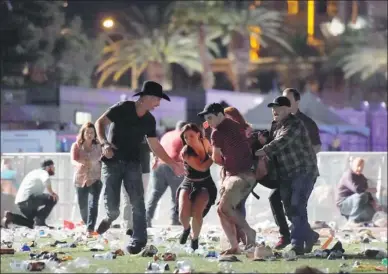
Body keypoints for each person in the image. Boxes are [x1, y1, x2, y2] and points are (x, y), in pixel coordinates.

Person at [94, 81, 185, 254]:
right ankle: (109, 218)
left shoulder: (150, 120)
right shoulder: (122, 108)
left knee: (138, 202)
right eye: (157, 100)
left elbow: (155, 146)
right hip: (112, 162)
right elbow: (100, 123)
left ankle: (139, 240)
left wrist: (173, 164)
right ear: (147, 98)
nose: (158, 104)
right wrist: (104, 143)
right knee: (114, 210)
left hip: (133, 164)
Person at [255, 96, 319, 255]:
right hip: (286, 174)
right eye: (273, 108)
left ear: (288, 109)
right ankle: (310, 235)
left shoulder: (295, 124)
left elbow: (279, 143)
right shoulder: (276, 126)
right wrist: (262, 142)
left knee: (297, 205)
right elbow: (273, 147)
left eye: (278, 107)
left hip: (303, 171)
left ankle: (297, 245)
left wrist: (256, 152)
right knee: (290, 210)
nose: (274, 111)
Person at [198, 103, 256, 255]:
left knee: (224, 208)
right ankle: (235, 245)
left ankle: (249, 232)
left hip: (237, 175)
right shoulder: (235, 125)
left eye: (210, 118)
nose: (208, 122)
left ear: (219, 115)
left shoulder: (216, 133)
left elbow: (216, 158)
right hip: (248, 174)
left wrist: (220, 159)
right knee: (224, 209)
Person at [176, 123, 217, 250]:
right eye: (186, 137)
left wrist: (213, 152)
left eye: (191, 136)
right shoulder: (186, 152)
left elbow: (211, 151)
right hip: (189, 181)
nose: (188, 139)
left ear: (198, 134)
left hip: (205, 182)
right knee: (183, 214)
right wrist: (215, 155)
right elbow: (202, 167)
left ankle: (195, 238)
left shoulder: (205, 142)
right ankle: (186, 229)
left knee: (197, 212)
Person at [146, 121, 187, 227]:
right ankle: (174, 220)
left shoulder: (166, 135)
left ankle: (146, 219)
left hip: (159, 165)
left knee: (155, 193)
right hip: (174, 165)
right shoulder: (184, 136)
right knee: (176, 195)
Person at [2, 160, 58, 229]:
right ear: (48, 167)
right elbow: (46, 180)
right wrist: (52, 193)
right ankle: (40, 222)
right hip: (28, 200)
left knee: (32, 224)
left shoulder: (34, 172)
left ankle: (11, 217)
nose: (54, 169)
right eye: (53, 167)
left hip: (21, 203)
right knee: (53, 198)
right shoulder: (43, 172)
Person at [70, 122, 102, 237]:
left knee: (93, 203)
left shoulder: (99, 146)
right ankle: (86, 221)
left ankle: (90, 229)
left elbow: (103, 159)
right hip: (80, 179)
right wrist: (79, 165)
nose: (89, 135)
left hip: (95, 178)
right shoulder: (76, 146)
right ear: (83, 134)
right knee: (83, 205)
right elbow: (73, 160)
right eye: (87, 132)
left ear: (95, 134)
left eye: (92, 132)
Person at [121, 137, 152, 236]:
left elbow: (154, 146)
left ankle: (136, 226)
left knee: (138, 199)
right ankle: (130, 227)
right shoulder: (124, 132)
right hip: (127, 170)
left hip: (143, 170)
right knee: (129, 199)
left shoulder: (146, 133)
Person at [336, 157, 377, 224]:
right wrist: (370, 190)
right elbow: (357, 190)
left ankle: (365, 221)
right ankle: (352, 220)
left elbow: (367, 192)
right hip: (343, 204)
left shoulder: (362, 177)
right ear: (352, 165)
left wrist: (373, 201)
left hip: (355, 202)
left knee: (370, 208)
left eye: (362, 166)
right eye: (358, 166)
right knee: (362, 196)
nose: (360, 168)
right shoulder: (348, 175)